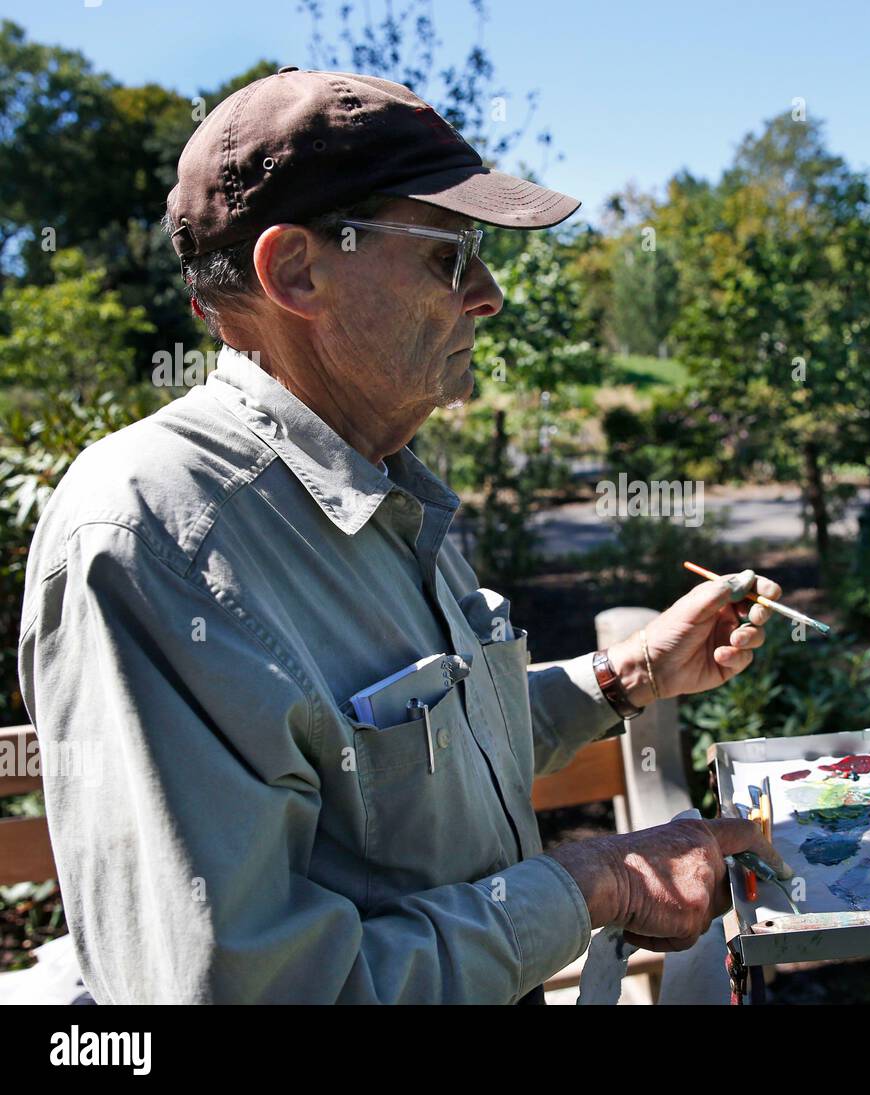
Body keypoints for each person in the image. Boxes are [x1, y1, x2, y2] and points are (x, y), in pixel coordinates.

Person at [18, 67, 786, 1004]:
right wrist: (601, 880)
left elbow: (417, 758)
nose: (488, 292)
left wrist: (630, 676)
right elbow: (241, 992)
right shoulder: (151, 538)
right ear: (296, 270)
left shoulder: (370, 473)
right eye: (449, 254)